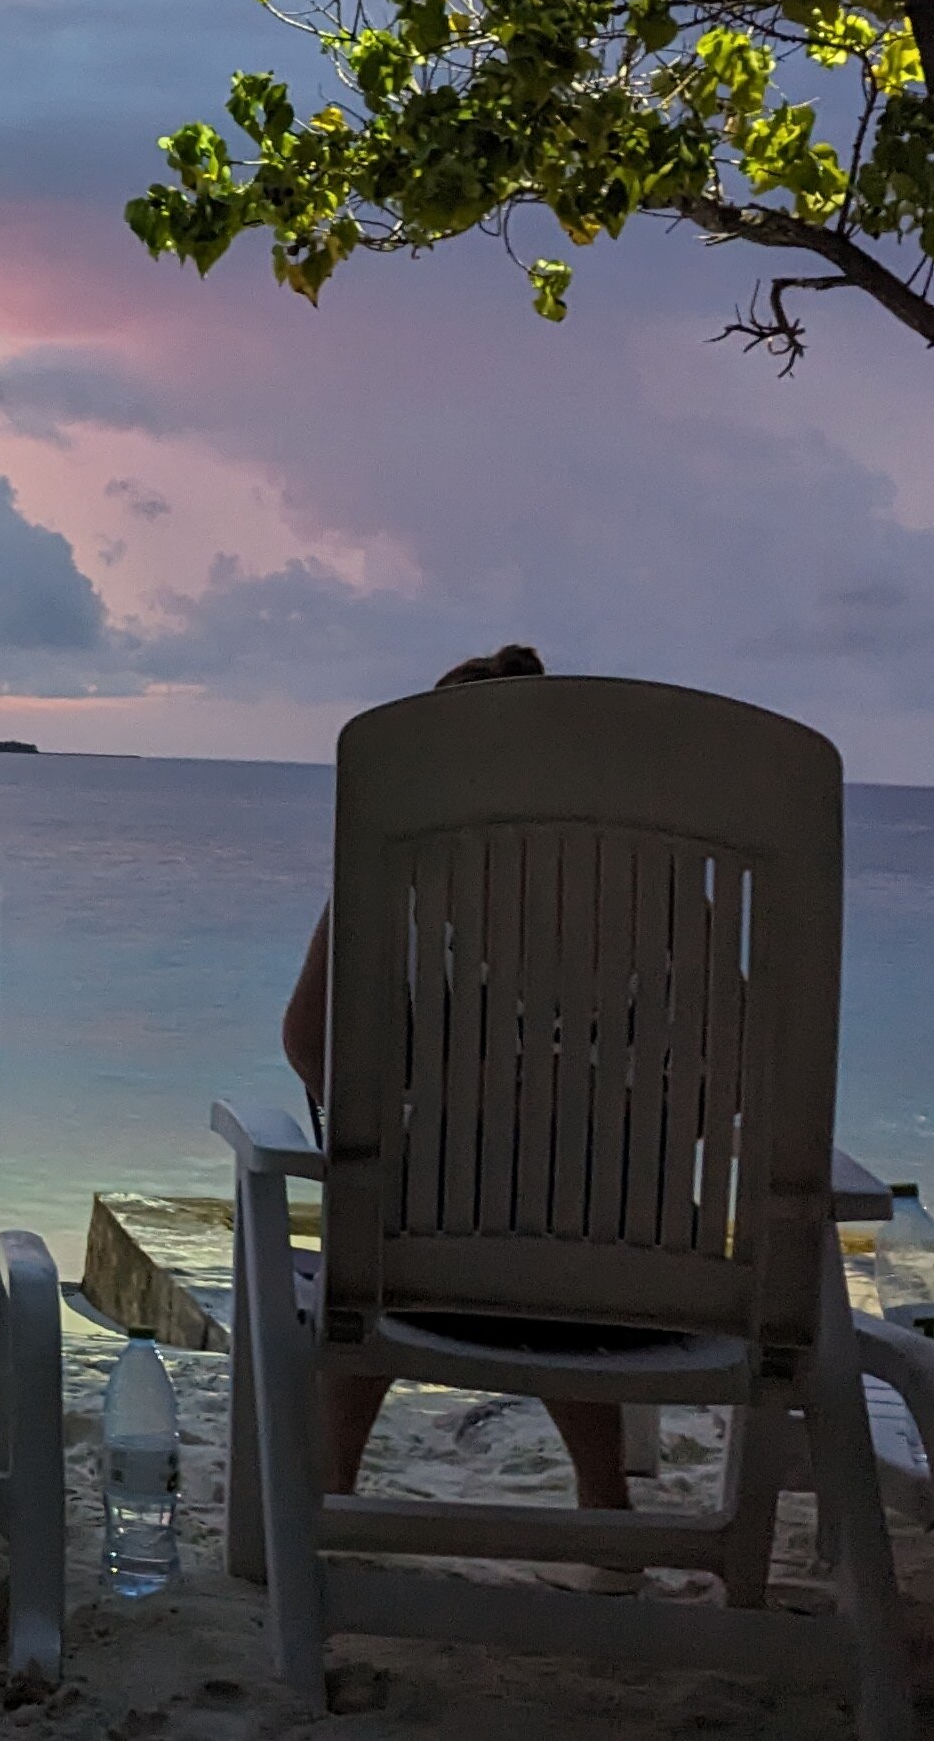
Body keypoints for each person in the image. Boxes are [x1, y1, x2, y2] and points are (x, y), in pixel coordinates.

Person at [278, 643, 638, 1522]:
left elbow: (309, 1045)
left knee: (387, 1217)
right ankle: (606, 1505)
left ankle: (331, 1488)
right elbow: (711, 1074)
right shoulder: (645, 884)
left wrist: (402, 1112)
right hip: (628, 1288)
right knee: (566, 1195)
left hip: (415, 1274)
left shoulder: (391, 873)